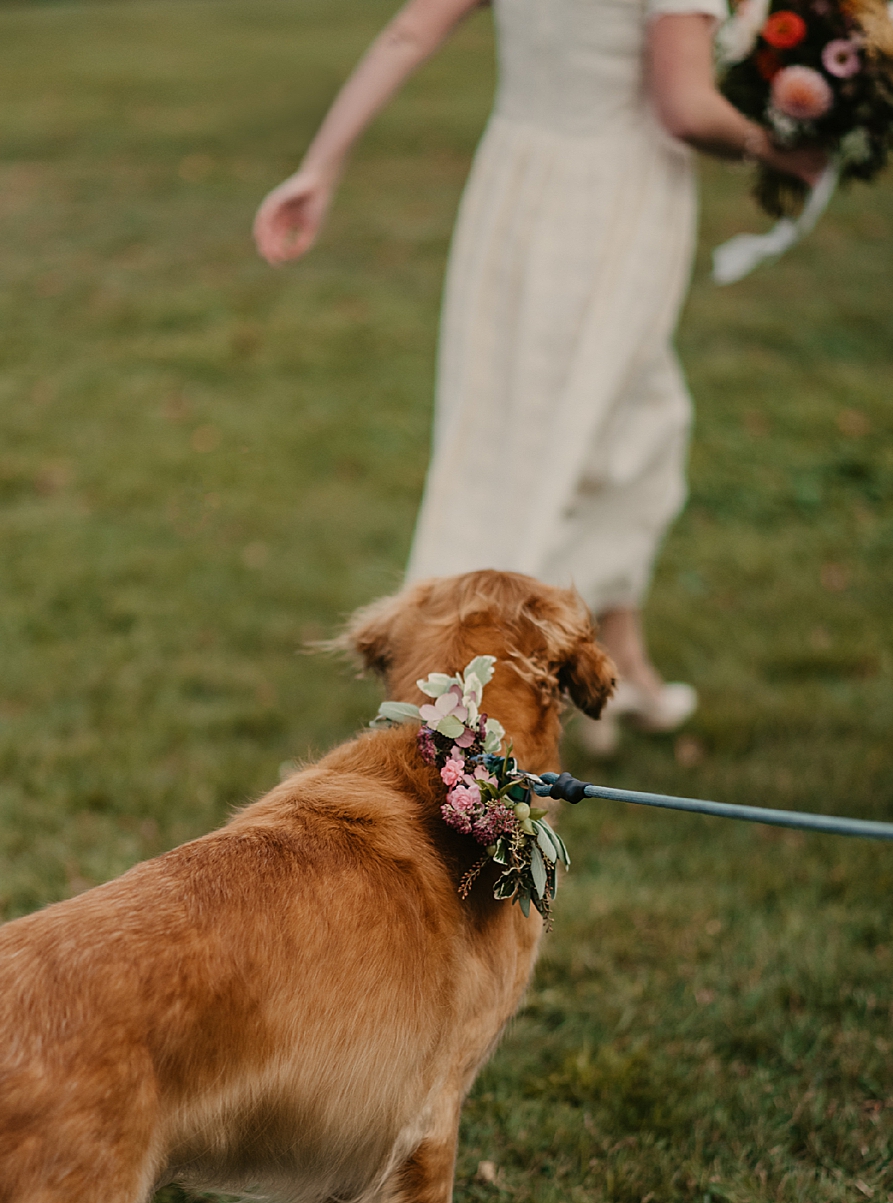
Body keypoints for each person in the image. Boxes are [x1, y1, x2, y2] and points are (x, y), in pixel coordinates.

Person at [254, 0, 824, 754]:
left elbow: (409, 29)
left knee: (638, 425)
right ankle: (449, 706)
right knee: (538, 446)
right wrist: (786, 151)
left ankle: (623, 671)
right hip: (613, 197)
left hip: (515, 185)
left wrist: (319, 165)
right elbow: (683, 108)